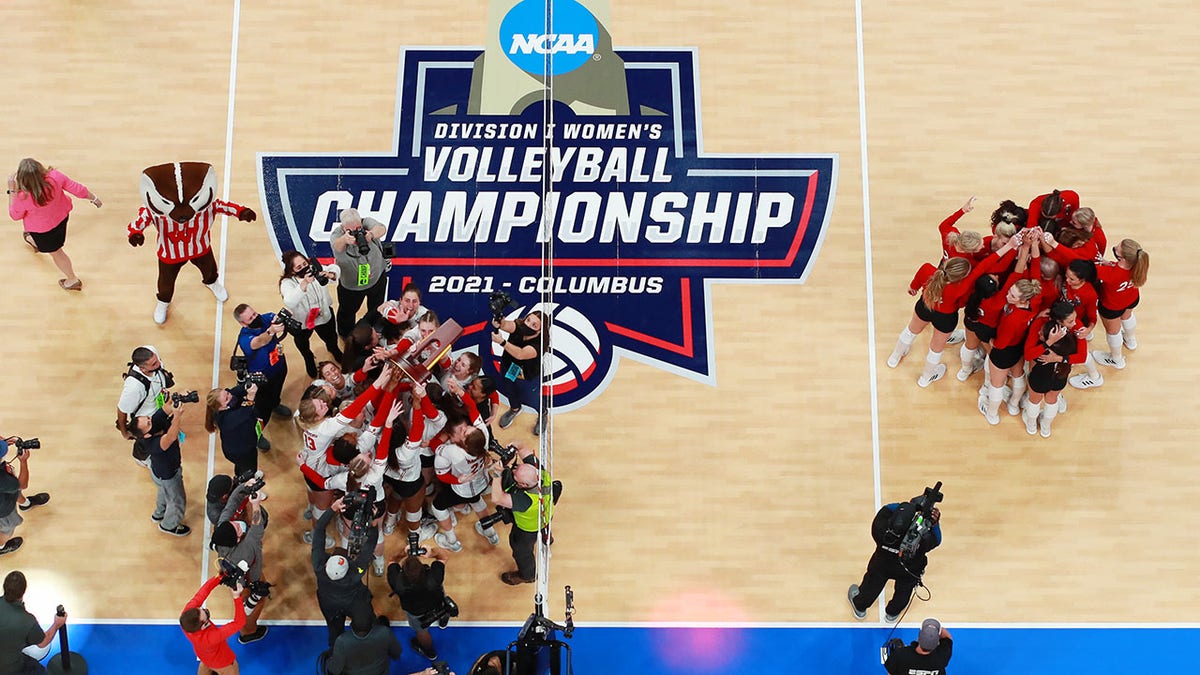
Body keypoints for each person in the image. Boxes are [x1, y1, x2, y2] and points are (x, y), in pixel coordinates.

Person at [125, 161, 256, 324]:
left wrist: (242, 212)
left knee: (209, 270)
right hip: (169, 254)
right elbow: (139, 222)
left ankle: (212, 283)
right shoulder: (154, 209)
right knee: (165, 284)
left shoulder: (206, 205)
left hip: (200, 248)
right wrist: (135, 233)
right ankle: (163, 302)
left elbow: (224, 206)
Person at [6, 158, 100, 291]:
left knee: (57, 252)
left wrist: (12, 191)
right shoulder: (55, 176)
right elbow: (77, 189)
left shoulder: (24, 196)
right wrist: (94, 198)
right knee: (51, 242)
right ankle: (34, 242)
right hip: (61, 219)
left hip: (43, 231)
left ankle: (72, 280)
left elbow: (15, 215)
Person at [847, 494, 942, 623]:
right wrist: (934, 523)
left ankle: (860, 607)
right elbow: (937, 539)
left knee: (871, 586)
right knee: (903, 592)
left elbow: (886, 509)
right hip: (909, 569)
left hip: (882, 565)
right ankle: (892, 613)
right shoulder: (922, 540)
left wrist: (908, 506)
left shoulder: (879, 530)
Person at [210, 476, 269, 644]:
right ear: (237, 540)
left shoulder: (223, 527)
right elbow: (257, 527)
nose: (238, 524)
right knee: (252, 606)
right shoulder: (246, 549)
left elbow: (231, 504)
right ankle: (248, 632)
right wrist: (256, 505)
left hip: (235, 572)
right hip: (248, 581)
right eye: (237, 528)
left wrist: (245, 486)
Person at [489, 444, 558, 586]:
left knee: (521, 553)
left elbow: (497, 498)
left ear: (524, 485)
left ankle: (528, 575)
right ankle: (547, 537)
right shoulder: (541, 473)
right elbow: (523, 448)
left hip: (527, 529)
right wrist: (515, 445)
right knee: (545, 527)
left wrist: (497, 474)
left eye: (515, 476)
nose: (512, 472)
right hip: (545, 515)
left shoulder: (525, 500)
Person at [313, 501, 377, 646]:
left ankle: (335, 651)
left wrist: (332, 509)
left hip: (329, 605)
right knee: (366, 621)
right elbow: (368, 550)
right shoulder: (356, 574)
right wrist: (372, 524)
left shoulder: (319, 567)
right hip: (353, 604)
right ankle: (370, 638)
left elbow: (318, 531)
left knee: (334, 632)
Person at [129, 397, 192, 536]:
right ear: (145, 435)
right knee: (177, 501)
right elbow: (170, 437)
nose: (150, 419)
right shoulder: (152, 444)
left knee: (163, 491)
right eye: (148, 422)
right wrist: (177, 416)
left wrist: (179, 398)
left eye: (148, 418)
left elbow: (165, 408)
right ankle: (169, 525)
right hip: (168, 473)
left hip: (157, 471)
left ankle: (159, 513)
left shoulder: (150, 426)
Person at [233, 304, 293, 445]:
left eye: (254, 313)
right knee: (261, 412)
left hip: (279, 366)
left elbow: (276, 316)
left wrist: (282, 319)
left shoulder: (265, 318)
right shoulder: (245, 338)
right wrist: (271, 331)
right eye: (250, 318)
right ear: (243, 323)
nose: (255, 317)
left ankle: (275, 404)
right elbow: (259, 341)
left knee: (277, 391)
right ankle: (256, 435)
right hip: (262, 378)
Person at [280, 250, 343, 378]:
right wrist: (304, 283)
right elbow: (290, 301)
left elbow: (335, 268)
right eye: (299, 267)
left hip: (323, 316)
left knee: (331, 337)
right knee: (302, 344)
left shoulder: (315, 270)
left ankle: (333, 349)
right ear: (292, 271)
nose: (304, 268)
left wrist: (330, 274)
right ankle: (308, 358)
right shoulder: (287, 283)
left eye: (305, 263)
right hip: (302, 322)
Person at [331, 208, 389, 340]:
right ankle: (345, 335)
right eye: (351, 230)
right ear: (343, 227)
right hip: (351, 287)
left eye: (358, 228)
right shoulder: (338, 234)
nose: (357, 233)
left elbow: (382, 228)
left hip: (376, 279)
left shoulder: (366, 223)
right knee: (347, 312)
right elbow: (337, 246)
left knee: (376, 307)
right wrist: (345, 239)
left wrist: (371, 235)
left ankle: (372, 330)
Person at [386, 546, 452, 661]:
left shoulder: (398, 582)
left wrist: (403, 553)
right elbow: (444, 556)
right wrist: (431, 553)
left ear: (403, 571)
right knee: (445, 606)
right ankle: (443, 620)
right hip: (437, 603)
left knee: (421, 631)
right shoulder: (434, 578)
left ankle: (430, 652)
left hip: (416, 611)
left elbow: (392, 560)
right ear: (423, 568)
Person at [116, 345, 174, 466]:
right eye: (153, 364)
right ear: (142, 369)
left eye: (157, 360)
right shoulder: (134, 387)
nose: (158, 364)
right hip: (147, 418)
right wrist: (125, 433)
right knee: (146, 442)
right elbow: (122, 410)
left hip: (159, 406)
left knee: (164, 430)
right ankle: (141, 458)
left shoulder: (151, 352)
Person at [0, 571, 67, 675]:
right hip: (10, 669)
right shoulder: (27, 621)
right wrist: (57, 624)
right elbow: (43, 642)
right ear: (23, 591)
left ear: (4, 587)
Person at [179, 573, 246, 675]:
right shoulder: (210, 637)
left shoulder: (187, 617)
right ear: (203, 626)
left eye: (201, 609)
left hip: (205, 658)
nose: (203, 609)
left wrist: (219, 577)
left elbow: (202, 593)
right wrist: (237, 597)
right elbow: (239, 623)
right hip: (223, 663)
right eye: (205, 614)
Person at [492, 310, 546, 434]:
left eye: (534, 325)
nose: (528, 325)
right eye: (528, 320)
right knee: (510, 390)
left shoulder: (538, 345)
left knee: (532, 399)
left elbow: (520, 354)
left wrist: (502, 342)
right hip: (510, 368)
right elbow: (506, 325)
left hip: (528, 375)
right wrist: (499, 322)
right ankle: (515, 408)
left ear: (540, 331)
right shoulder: (519, 326)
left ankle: (542, 412)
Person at [0, 439, 50, 556]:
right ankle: (1, 546)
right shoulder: (4, 481)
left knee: (15, 492)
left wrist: (4, 441)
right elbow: (22, 484)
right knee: (7, 528)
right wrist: (23, 462)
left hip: (5, 492)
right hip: (3, 510)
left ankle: (26, 504)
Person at [205, 382, 266, 473]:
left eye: (227, 393)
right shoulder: (227, 420)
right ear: (221, 408)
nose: (230, 396)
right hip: (242, 452)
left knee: (241, 466)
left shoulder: (226, 403)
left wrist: (246, 386)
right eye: (226, 399)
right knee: (250, 469)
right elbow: (245, 413)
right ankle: (247, 481)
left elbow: (235, 391)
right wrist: (250, 397)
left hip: (235, 449)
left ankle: (239, 475)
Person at [325, 608, 403, 675]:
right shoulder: (384, 632)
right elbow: (397, 652)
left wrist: (328, 662)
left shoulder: (342, 641)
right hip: (380, 672)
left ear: (351, 626)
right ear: (372, 624)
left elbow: (335, 669)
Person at [884, 617, 952, 675]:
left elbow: (890, 673)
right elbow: (947, 637)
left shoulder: (900, 655)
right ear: (937, 643)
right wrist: (936, 632)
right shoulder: (943, 655)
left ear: (918, 638)